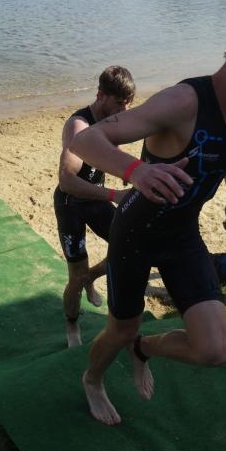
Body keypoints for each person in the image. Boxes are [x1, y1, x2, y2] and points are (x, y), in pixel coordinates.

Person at [69, 2, 226, 425]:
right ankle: (93, 379)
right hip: (136, 232)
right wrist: (136, 170)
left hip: (182, 234)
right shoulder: (183, 102)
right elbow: (85, 141)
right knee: (122, 327)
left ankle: (143, 349)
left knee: (213, 350)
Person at [55, 66, 136, 347]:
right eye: (120, 103)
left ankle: (90, 277)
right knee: (75, 277)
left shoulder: (112, 119)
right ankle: (72, 324)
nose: (125, 110)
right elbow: (67, 181)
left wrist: (134, 171)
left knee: (130, 244)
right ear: (101, 95)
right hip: (72, 204)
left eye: (128, 103)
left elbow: (112, 152)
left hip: (96, 201)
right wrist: (115, 194)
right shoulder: (79, 127)